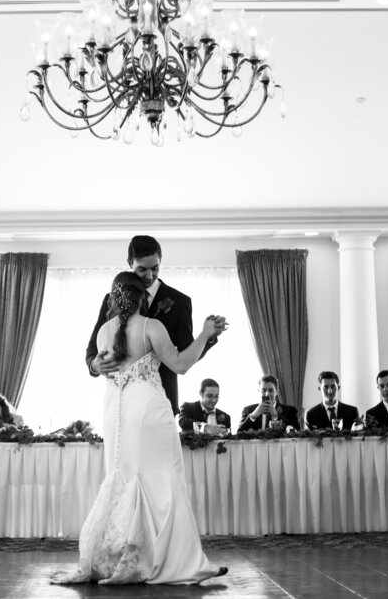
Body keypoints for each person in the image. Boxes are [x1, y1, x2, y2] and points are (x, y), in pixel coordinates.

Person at [53, 271, 228, 585]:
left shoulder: (105, 331)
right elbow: (181, 365)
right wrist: (204, 334)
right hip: (147, 410)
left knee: (125, 479)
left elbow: (97, 363)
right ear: (142, 297)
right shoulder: (151, 326)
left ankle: (122, 556)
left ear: (113, 297)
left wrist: (95, 366)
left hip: (116, 409)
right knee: (163, 481)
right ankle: (175, 561)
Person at [86, 235, 222, 416]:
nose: (149, 276)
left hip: (161, 401)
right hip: (121, 405)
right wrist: (95, 366)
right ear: (130, 263)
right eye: (142, 269)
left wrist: (208, 337)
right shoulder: (112, 300)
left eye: (155, 268)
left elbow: (185, 356)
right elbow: (92, 351)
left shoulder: (180, 302)